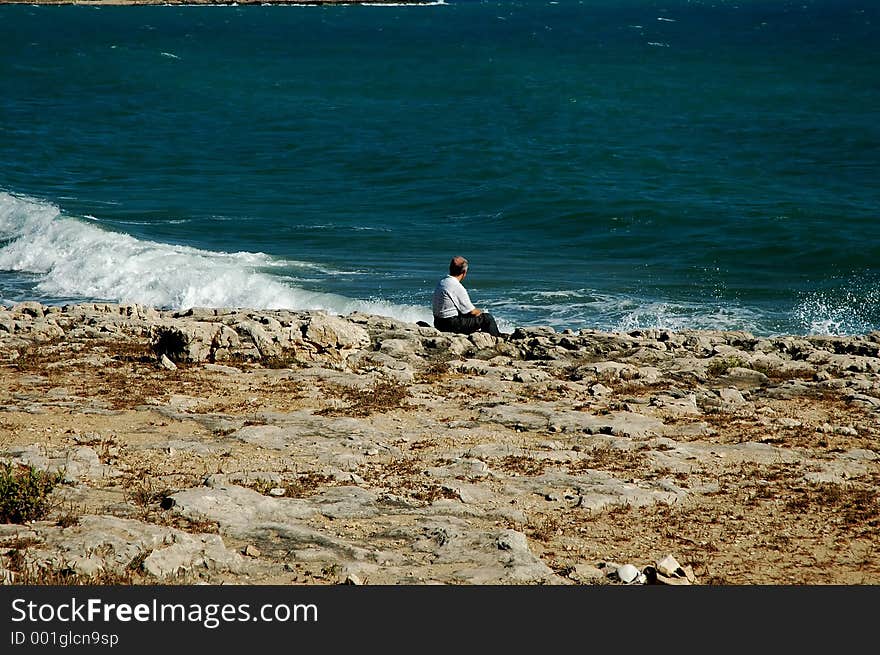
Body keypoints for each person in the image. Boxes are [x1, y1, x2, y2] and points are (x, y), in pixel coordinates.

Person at [432, 256, 501, 337]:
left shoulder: (443, 282)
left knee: (468, 316)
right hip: (450, 324)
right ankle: (496, 339)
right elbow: (472, 312)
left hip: (438, 322)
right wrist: (482, 313)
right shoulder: (455, 285)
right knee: (487, 319)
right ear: (464, 272)